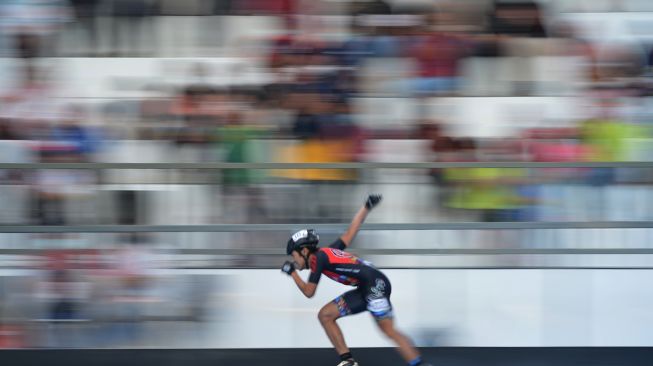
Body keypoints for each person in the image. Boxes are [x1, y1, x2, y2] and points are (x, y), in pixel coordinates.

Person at [281, 195, 432, 366]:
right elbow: (350, 232)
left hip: (374, 286)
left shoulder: (318, 259)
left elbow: (309, 292)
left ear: (304, 251)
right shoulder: (327, 252)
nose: (295, 261)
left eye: (294, 256)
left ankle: (419, 364)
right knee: (326, 315)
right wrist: (366, 207)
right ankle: (348, 361)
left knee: (388, 330)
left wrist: (292, 273)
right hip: (367, 286)